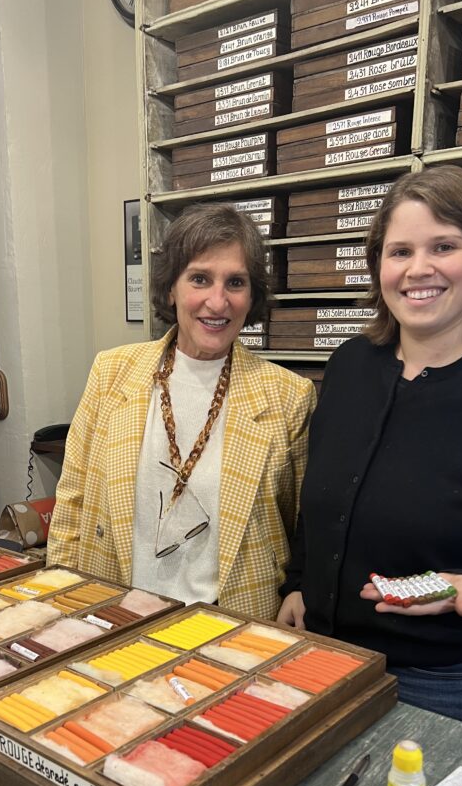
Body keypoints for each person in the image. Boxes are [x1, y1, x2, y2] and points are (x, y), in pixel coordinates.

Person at [278, 165, 462, 735]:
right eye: (399, 251)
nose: (418, 269)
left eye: (444, 246)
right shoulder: (351, 366)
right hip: (327, 658)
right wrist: (300, 584)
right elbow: (321, 497)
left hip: (452, 683)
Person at [47, 203, 315, 620]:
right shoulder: (111, 372)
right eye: (200, 279)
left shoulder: (288, 397)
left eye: (236, 282)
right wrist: (60, 595)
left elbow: (304, 528)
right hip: (114, 613)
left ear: (252, 296)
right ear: (171, 288)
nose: (217, 300)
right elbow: (72, 500)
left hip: (232, 625)